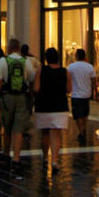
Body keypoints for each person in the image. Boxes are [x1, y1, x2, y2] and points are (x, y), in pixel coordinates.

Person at [0, 38, 37, 174]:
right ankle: (16, 158)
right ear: (18, 48)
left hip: (7, 97)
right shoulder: (25, 61)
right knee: (18, 129)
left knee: (7, 126)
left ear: (9, 48)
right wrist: (31, 96)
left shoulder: (3, 61)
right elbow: (32, 79)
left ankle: (6, 153)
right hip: (22, 97)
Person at [34, 47, 71, 175]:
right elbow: (69, 89)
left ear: (46, 58)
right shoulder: (65, 72)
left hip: (43, 106)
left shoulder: (41, 70)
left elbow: (36, 88)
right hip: (60, 106)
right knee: (56, 135)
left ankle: (45, 157)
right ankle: (54, 161)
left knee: (45, 133)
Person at [67, 48, 97, 145]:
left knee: (78, 114)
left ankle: (81, 131)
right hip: (86, 94)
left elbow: (68, 78)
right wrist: (95, 93)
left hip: (76, 94)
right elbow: (94, 81)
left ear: (76, 56)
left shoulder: (71, 67)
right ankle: (84, 128)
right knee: (85, 113)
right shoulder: (90, 67)